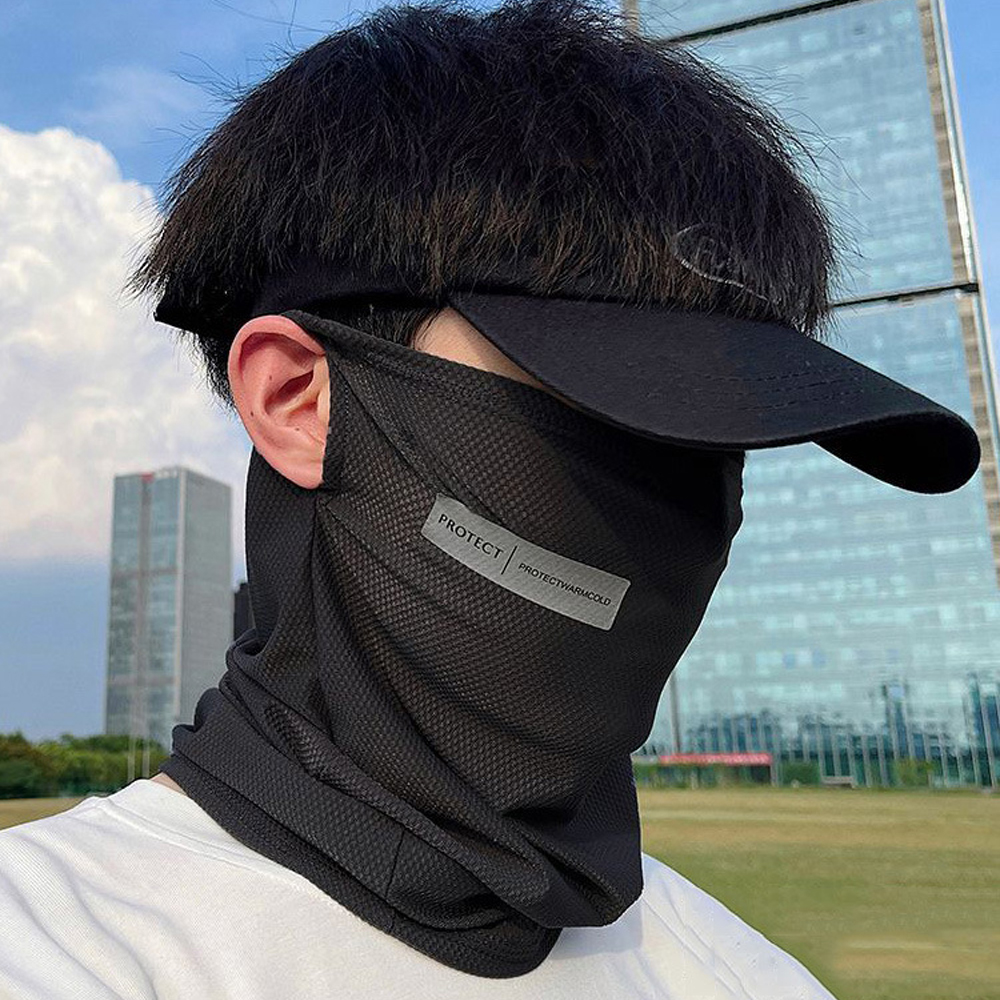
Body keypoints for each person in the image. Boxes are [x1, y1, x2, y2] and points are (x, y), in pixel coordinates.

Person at [0, 0, 979, 997]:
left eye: (715, 439)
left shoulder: (745, 976)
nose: (673, 511)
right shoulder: (52, 948)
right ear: (298, 399)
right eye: (601, 401)